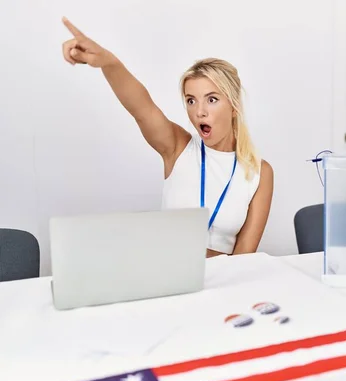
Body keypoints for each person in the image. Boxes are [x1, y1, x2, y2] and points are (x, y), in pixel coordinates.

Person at [60, 17, 274, 258]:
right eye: (191, 100)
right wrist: (109, 63)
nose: (199, 111)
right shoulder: (178, 148)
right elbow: (141, 107)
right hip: (170, 279)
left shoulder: (259, 173)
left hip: (224, 285)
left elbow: (244, 258)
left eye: (211, 99)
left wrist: (185, 252)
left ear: (234, 107)